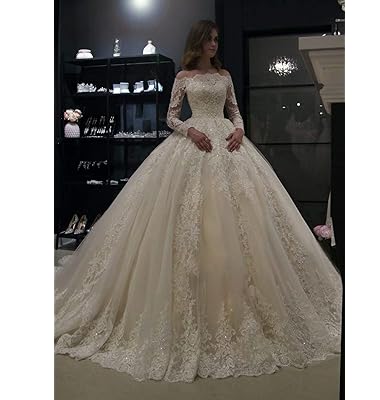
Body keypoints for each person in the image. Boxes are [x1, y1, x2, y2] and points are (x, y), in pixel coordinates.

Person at [55, 20, 342, 383]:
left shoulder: (224, 75)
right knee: (187, 219)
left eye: (217, 39)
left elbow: (234, 110)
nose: (214, 44)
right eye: (209, 39)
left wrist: (239, 129)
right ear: (198, 42)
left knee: (242, 219)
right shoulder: (183, 77)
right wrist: (190, 130)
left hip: (228, 144)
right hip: (193, 144)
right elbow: (171, 116)